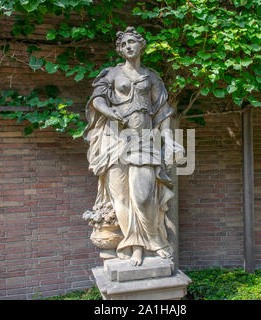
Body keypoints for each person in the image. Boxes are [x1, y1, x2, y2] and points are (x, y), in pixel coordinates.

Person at [83, 27, 183, 266]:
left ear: (141, 46)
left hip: (144, 140)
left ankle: (154, 241)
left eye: (132, 42)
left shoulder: (152, 77)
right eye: (124, 44)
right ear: (119, 50)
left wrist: (169, 140)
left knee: (143, 195)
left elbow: (163, 111)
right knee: (122, 199)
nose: (128, 46)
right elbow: (97, 100)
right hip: (117, 140)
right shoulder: (111, 74)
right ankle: (134, 245)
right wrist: (112, 112)